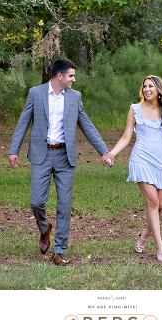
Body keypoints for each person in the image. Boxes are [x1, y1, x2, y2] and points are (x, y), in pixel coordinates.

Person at [9, 58, 114, 266]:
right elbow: (23, 122)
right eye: (71, 76)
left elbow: (87, 125)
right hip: (41, 154)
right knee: (37, 202)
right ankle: (44, 228)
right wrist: (14, 150)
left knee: (64, 206)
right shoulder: (36, 93)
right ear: (60, 76)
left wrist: (104, 151)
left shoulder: (75, 97)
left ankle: (59, 250)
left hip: (66, 157)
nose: (73, 80)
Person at [104, 75, 162, 263]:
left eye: (151, 86)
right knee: (153, 202)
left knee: (160, 206)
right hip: (141, 160)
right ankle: (160, 247)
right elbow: (126, 137)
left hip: (161, 162)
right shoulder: (135, 110)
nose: (146, 89)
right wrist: (111, 154)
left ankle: (145, 235)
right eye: (144, 86)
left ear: (159, 90)